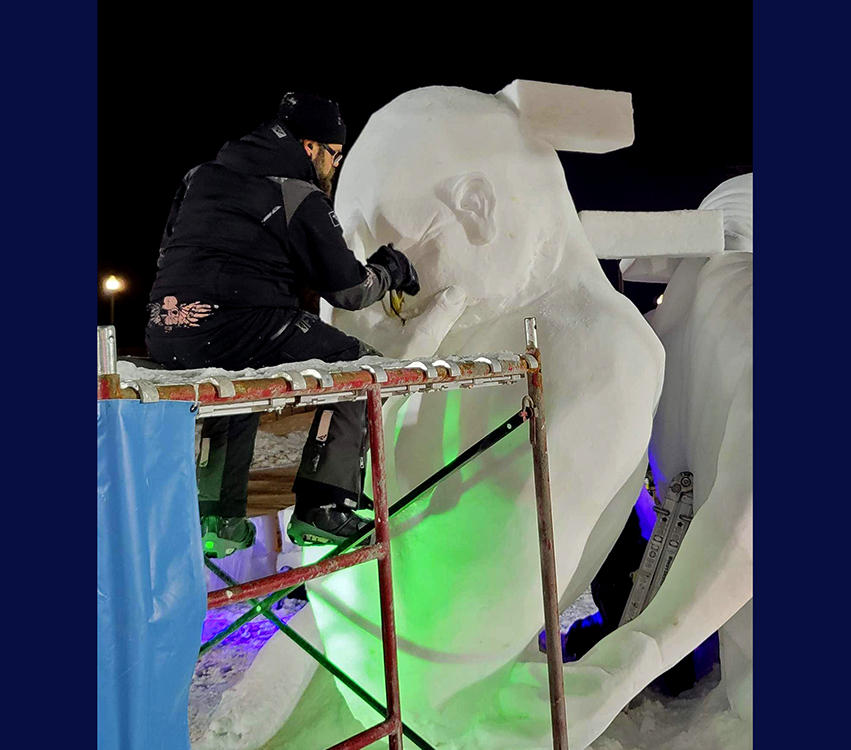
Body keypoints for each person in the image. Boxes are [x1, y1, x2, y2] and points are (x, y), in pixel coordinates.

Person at [146, 92, 420, 557]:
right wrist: (390, 270)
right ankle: (323, 505)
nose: (335, 166)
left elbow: (171, 253)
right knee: (360, 370)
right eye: (335, 154)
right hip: (239, 323)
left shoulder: (201, 176)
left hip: (165, 328)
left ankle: (216, 517)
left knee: (232, 380)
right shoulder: (296, 191)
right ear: (310, 147)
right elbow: (348, 292)